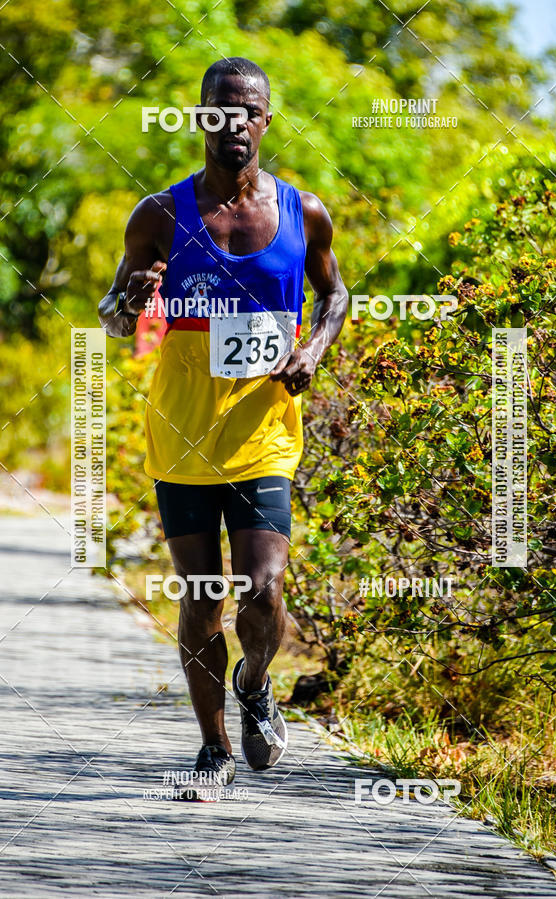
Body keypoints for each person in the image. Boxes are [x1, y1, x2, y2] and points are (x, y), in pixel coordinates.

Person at [99, 57, 348, 791]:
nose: (234, 123)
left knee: (264, 588)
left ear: (266, 120)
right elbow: (113, 317)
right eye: (220, 110)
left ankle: (257, 684)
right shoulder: (160, 214)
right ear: (200, 116)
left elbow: (335, 295)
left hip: (264, 431)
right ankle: (213, 750)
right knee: (202, 593)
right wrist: (131, 302)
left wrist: (312, 348)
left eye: (249, 111)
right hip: (181, 433)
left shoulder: (305, 213)